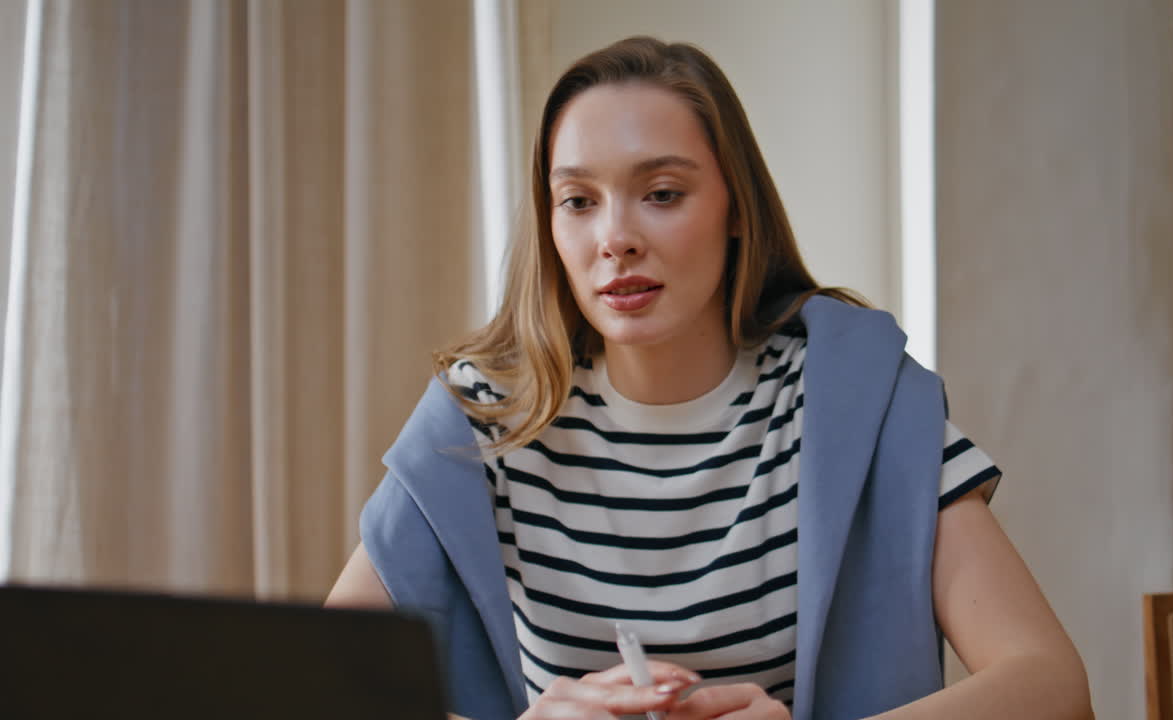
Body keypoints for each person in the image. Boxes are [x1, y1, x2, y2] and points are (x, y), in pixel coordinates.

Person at [327, 36, 1093, 720]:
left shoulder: (853, 402)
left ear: (735, 207)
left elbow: (1051, 685)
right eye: (578, 202)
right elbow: (318, 688)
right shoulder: (488, 413)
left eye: (661, 194)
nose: (615, 239)